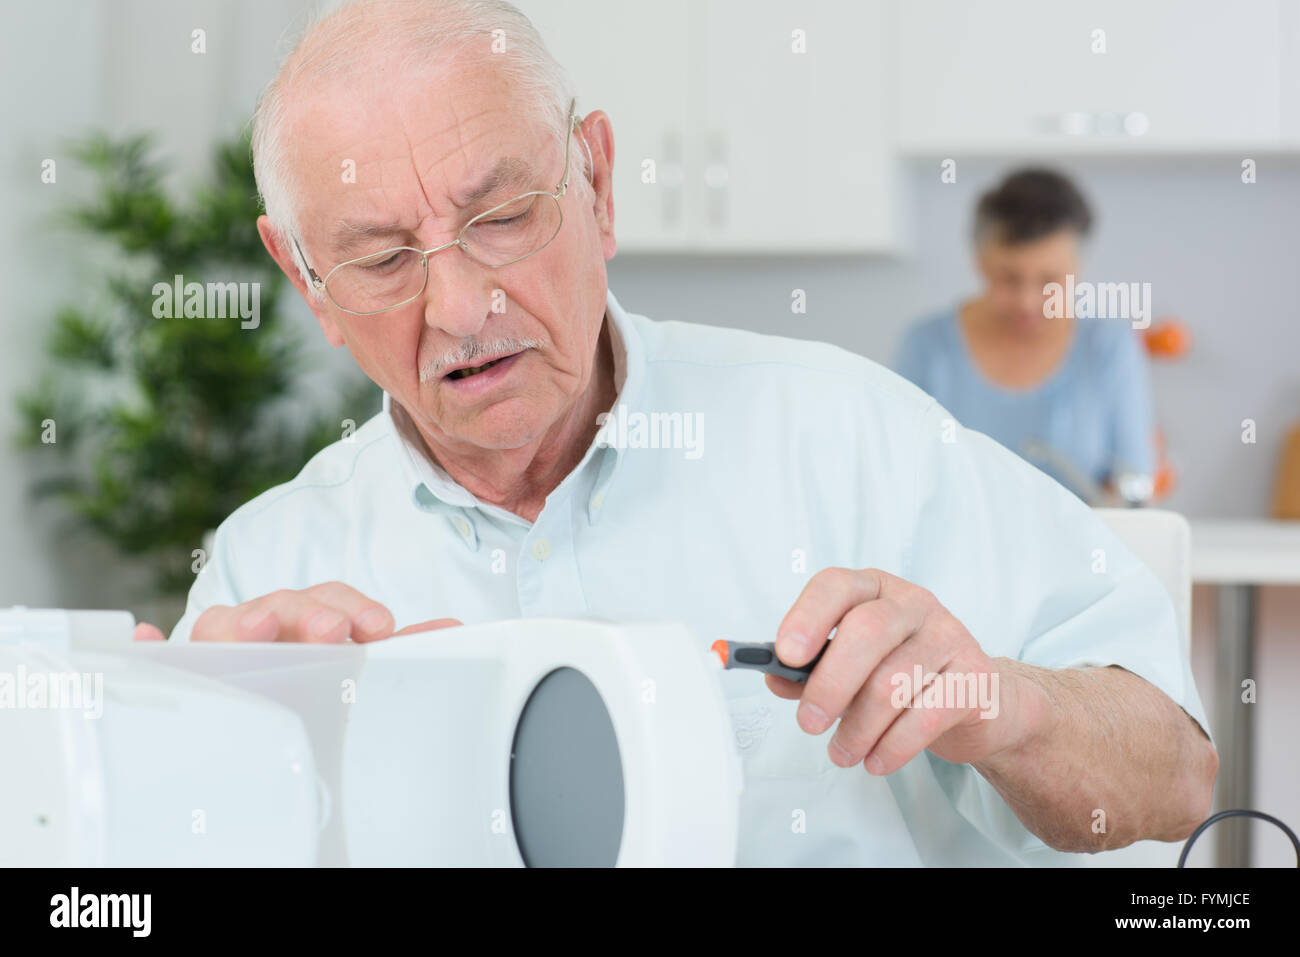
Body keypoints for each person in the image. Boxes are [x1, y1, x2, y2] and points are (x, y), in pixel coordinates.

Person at [134, 0, 1215, 866]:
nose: (461, 308)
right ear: (306, 282)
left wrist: (1005, 706)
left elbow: (1176, 779)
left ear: (596, 183)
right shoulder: (265, 577)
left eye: (503, 216)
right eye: (378, 261)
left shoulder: (847, 439)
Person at [895, 169, 1158, 504]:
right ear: (980, 262)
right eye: (1008, 278)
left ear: (1078, 268)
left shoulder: (1109, 349)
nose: (1027, 301)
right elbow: (899, 473)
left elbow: (1133, 485)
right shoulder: (926, 348)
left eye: (1049, 280)